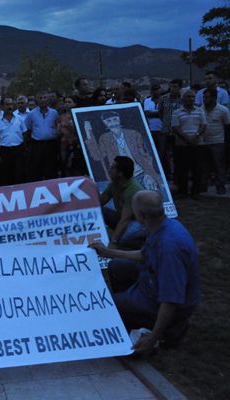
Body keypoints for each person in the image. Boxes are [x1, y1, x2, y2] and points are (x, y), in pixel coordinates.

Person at [90, 191, 200, 354]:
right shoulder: (160, 225)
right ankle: (132, 315)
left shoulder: (170, 249)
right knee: (116, 266)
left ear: (141, 215)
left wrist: (153, 338)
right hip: (152, 281)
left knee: (107, 306)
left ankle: (166, 329)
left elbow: (170, 300)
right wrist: (108, 253)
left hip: (166, 301)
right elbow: (145, 254)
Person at [84, 110, 163, 192]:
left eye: (115, 119)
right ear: (105, 123)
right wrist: (88, 134)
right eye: (109, 121)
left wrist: (148, 173)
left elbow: (146, 155)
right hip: (122, 178)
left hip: (141, 174)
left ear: (119, 120)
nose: (113, 123)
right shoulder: (105, 138)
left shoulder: (133, 134)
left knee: (150, 197)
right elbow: (98, 156)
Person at [99, 156, 146, 248]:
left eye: (112, 168)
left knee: (122, 239)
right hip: (124, 218)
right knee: (99, 211)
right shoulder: (115, 184)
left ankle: (143, 243)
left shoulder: (133, 190)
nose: (109, 170)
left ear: (120, 173)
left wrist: (113, 241)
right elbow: (100, 202)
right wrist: (91, 185)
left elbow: (125, 220)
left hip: (139, 222)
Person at [171, 90, 207, 198]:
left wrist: (195, 136)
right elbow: (175, 128)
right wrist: (187, 139)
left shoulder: (200, 111)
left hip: (197, 144)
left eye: (192, 96)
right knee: (183, 169)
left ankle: (195, 192)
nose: (190, 98)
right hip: (182, 145)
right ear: (183, 98)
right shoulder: (177, 112)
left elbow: (203, 125)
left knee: (197, 169)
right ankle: (183, 191)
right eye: (188, 96)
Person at [25, 92, 60, 181]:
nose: (43, 100)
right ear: (36, 100)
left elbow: (57, 125)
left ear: (48, 100)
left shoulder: (54, 113)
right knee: (37, 167)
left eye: (45, 97)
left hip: (51, 144)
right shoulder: (31, 114)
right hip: (37, 145)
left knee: (52, 166)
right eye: (40, 97)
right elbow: (28, 129)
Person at [200, 88, 230, 194]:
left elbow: (227, 126)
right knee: (203, 165)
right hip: (203, 141)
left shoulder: (223, 110)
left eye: (207, 97)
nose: (204, 99)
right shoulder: (200, 110)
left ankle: (220, 185)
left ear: (214, 98)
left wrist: (226, 142)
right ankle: (203, 185)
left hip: (218, 141)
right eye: (204, 97)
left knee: (219, 165)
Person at [0, 97, 26, 186]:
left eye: (11, 104)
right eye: (7, 104)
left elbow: (24, 135)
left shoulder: (19, 119)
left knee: (19, 174)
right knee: (6, 176)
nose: (9, 107)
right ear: (2, 106)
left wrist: (25, 149)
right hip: (5, 152)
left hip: (18, 150)